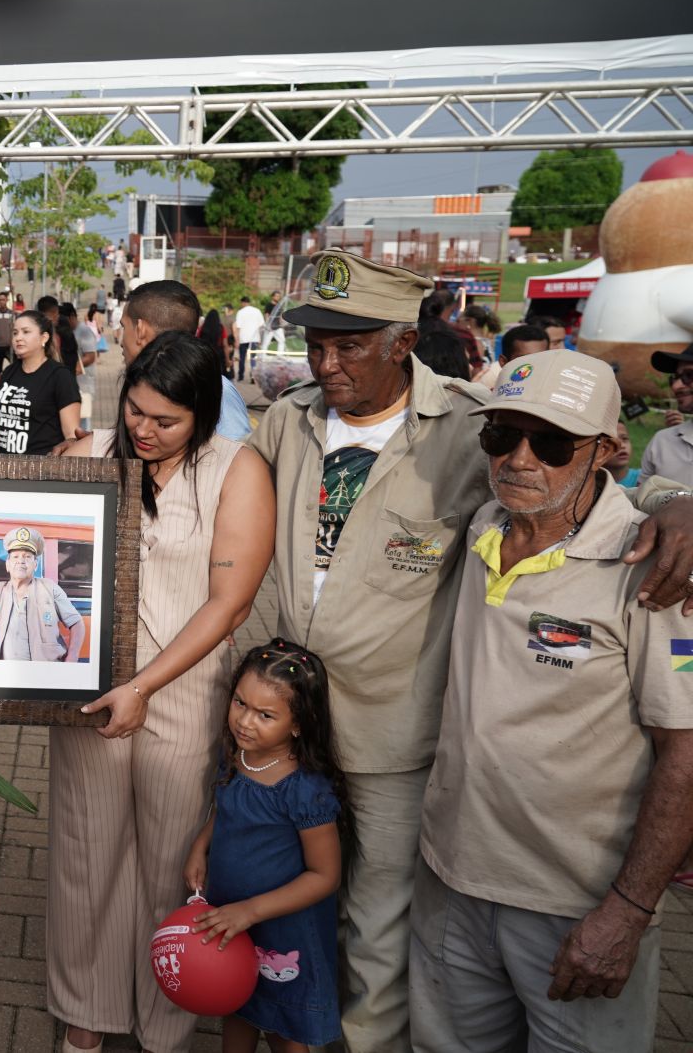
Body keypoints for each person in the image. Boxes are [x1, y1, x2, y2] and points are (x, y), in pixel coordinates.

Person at [248, 248, 693, 1052]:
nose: (326, 361)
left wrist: (679, 502)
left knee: (378, 940)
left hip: (396, 741)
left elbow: (592, 469)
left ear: (400, 339)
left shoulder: (466, 424)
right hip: (290, 731)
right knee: (290, 911)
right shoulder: (290, 419)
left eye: (350, 344)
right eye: (315, 341)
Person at [412, 350, 693, 1051]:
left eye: (553, 441)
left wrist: (627, 911)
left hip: (576, 909)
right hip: (453, 882)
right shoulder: (483, 525)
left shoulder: (651, 570)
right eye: (501, 434)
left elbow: (685, 749)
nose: (520, 458)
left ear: (605, 450)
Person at [53, 332, 275, 1052]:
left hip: (181, 693)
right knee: (87, 854)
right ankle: (86, 1011)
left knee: (171, 863)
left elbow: (230, 603)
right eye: (136, 412)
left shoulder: (235, 470)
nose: (144, 431)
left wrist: (144, 685)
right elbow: (6, 518)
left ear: (203, 413)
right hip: (90, 694)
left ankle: (164, 1020)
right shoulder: (92, 454)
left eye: (165, 420)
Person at [186, 639, 346, 1053]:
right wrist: (201, 845)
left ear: (298, 723)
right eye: (240, 703)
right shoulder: (238, 755)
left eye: (265, 714)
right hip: (232, 918)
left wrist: (250, 911)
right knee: (237, 1006)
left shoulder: (304, 789)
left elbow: (324, 876)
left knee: (283, 1025)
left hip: (282, 930)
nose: (245, 721)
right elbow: (227, 809)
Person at [120, 280, 252, 441]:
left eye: (123, 327)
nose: (143, 432)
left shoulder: (215, 388)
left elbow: (235, 453)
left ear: (140, 330)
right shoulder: (139, 382)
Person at [0, 527, 86, 662]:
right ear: (8, 565)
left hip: (46, 672)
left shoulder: (50, 588)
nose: (21, 561)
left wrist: (73, 656)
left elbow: (76, 622)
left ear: (35, 565)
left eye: (27, 557)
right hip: (6, 675)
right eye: (15, 556)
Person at [0, 311, 79, 455]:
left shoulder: (60, 376)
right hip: (2, 468)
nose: (18, 338)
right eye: (15, 333)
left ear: (44, 337)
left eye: (26, 332)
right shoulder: (9, 372)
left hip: (39, 470)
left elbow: (71, 437)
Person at [641, 342, 693, 485]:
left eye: (689, 375)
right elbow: (641, 500)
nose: (676, 386)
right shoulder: (661, 442)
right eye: (674, 378)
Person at [471, 322, 558, 389]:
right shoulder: (489, 387)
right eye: (524, 361)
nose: (533, 367)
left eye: (541, 359)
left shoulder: (557, 388)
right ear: (503, 362)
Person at [233, 295, 266, 383]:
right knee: (253, 358)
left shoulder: (240, 312)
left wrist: (237, 339)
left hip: (243, 338)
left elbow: (238, 327)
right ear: (249, 302)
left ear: (243, 302)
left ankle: (240, 376)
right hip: (254, 338)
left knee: (242, 357)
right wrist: (260, 339)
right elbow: (262, 326)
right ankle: (253, 376)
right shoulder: (257, 311)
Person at [608, 419, 641, 487]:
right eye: (612, 441)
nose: (622, 446)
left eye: (625, 438)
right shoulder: (587, 483)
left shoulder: (644, 479)